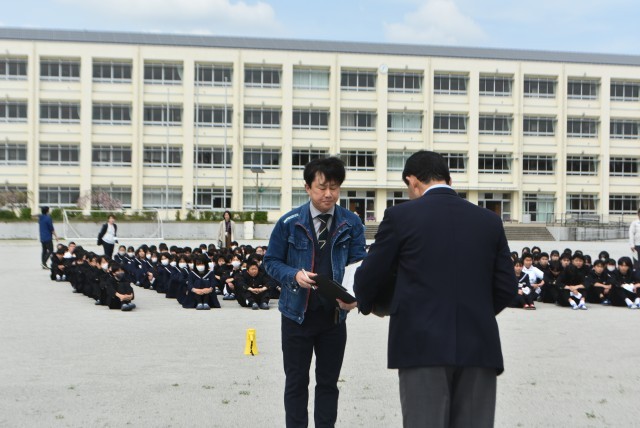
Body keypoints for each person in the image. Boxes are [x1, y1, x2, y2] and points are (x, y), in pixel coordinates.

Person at [353, 150, 517, 428]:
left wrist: (368, 303)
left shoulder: (400, 216)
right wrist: (475, 312)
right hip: (480, 346)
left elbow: (370, 275)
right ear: (449, 180)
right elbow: (506, 287)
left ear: (413, 181)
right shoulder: (489, 220)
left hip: (421, 344)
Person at [264, 156, 367, 428]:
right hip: (296, 316)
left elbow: (360, 265)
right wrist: (294, 275)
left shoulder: (352, 223)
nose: (328, 194)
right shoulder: (289, 223)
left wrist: (356, 297)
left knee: (328, 384)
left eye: (334, 187)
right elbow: (271, 262)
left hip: (334, 318)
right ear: (307, 187)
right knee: (296, 382)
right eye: (322, 187)